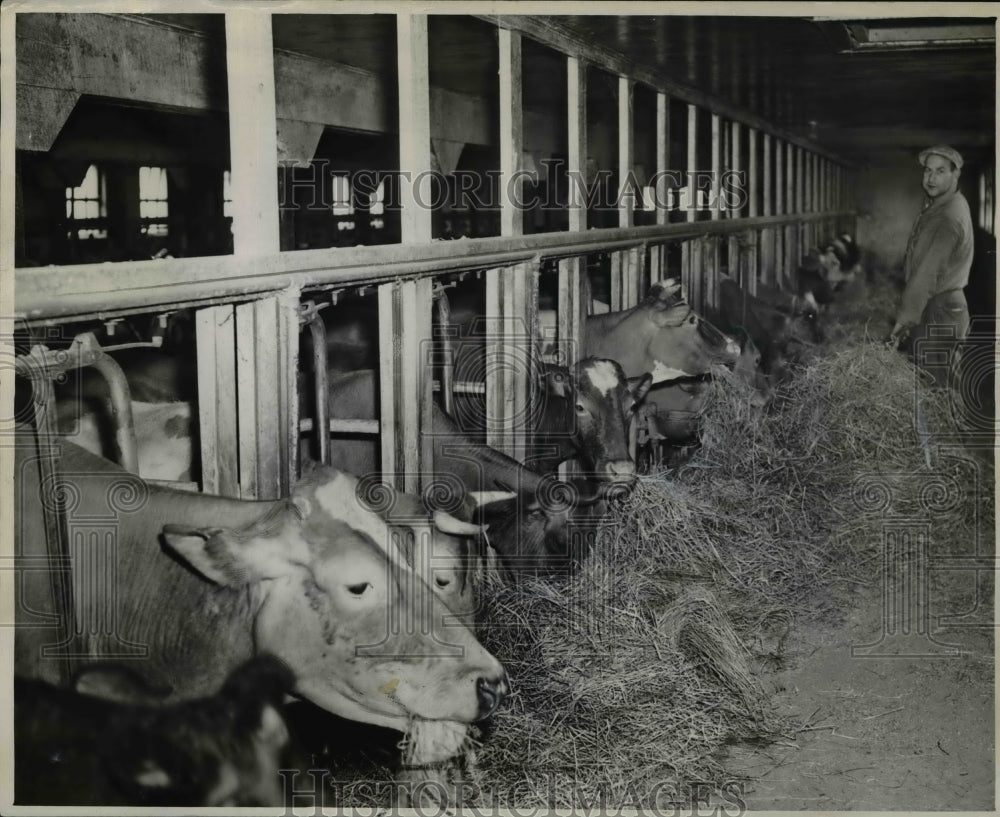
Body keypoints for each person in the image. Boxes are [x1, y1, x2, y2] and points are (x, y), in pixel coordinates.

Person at [889, 145, 974, 389]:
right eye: (927, 171)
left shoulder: (946, 218)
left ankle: (946, 427)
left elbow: (927, 273)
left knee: (933, 387)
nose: (931, 178)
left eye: (940, 171)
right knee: (941, 382)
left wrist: (904, 320)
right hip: (944, 306)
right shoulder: (948, 204)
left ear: (955, 174)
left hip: (939, 310)